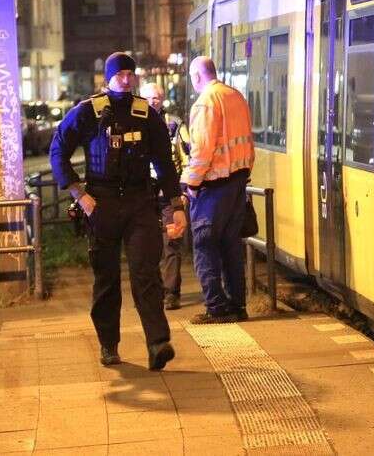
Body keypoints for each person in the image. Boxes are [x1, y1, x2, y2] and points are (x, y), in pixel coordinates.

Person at [49, 52, 186, 370]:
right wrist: (78, 193)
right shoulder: (89, 112)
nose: (126, 79)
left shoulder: (145, 113)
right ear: (108, 77)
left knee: (146, 274)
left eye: (130, 74)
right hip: (102, 205)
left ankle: (157, 343)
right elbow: (58, 150)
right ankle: (108, 345)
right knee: (106, 279)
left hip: (140, 203)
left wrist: (175, 206)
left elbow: (164, 163)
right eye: (120, 74)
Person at [181, 56, 254, 324]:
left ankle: (216, 307)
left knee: (205, 245)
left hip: (212, 187)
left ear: (197, 76)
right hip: (237, 183)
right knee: (232, 247)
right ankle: (238, 305)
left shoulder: (205, 103)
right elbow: (248, 141)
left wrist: (191, 183)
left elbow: (201, 151)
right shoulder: (236, 96)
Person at [138, 82, 191, 310]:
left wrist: (183, 190)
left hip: (169, 194)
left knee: (172, 242)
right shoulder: (135, 123)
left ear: (162, 100)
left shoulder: (175, 126)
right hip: (143, 195)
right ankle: (154, 290)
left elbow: (188, 158)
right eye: (149, 98)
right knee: (147, 245)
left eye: (157, 98)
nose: (153, 102)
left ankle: (171, 293)